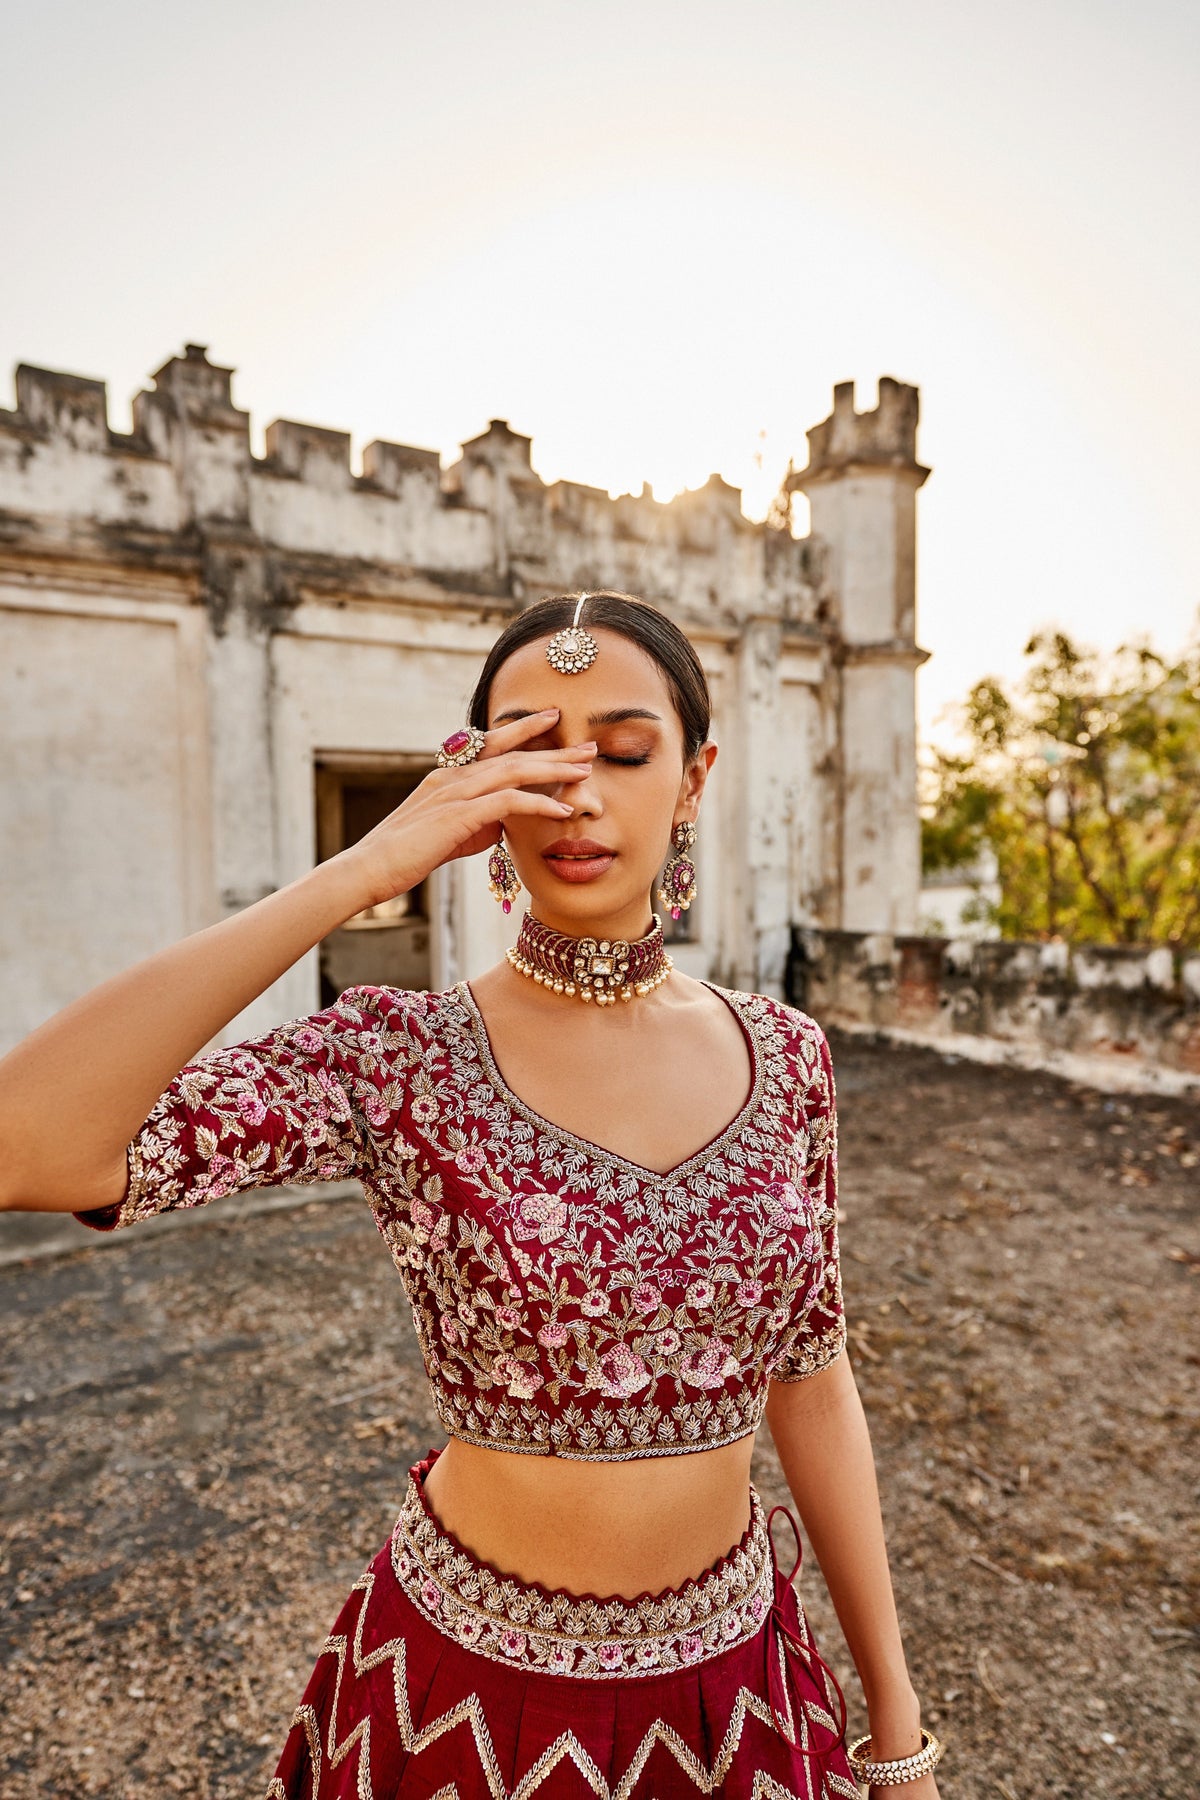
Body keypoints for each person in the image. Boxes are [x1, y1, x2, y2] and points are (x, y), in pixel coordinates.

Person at [0, 591, 944, 1798]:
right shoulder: (399, 1057)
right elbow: (31, 1147)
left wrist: (896, 1729)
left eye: (623, 749)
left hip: (738, 1695)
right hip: (462, 1705)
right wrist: (361, 870)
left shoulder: (787, 1055)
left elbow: (813, 1381)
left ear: (694, 779)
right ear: (470, 780)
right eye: (528, 753)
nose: (578, 792)